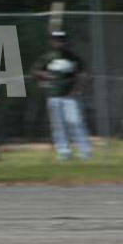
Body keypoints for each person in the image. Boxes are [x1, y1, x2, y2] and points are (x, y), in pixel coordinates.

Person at [32, 31, 92, 160]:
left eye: (62, 40)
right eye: (56, 40)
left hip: (70, 96)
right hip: (54, 95)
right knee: (58, 125)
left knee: (76, 122)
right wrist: (46, 77)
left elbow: (84, 74)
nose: (59, 42)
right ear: (52, 42)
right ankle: (64, 152)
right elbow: (36, 71)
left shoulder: (73, 57)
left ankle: (85, 151)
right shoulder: (48, 57)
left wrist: (78, 89)